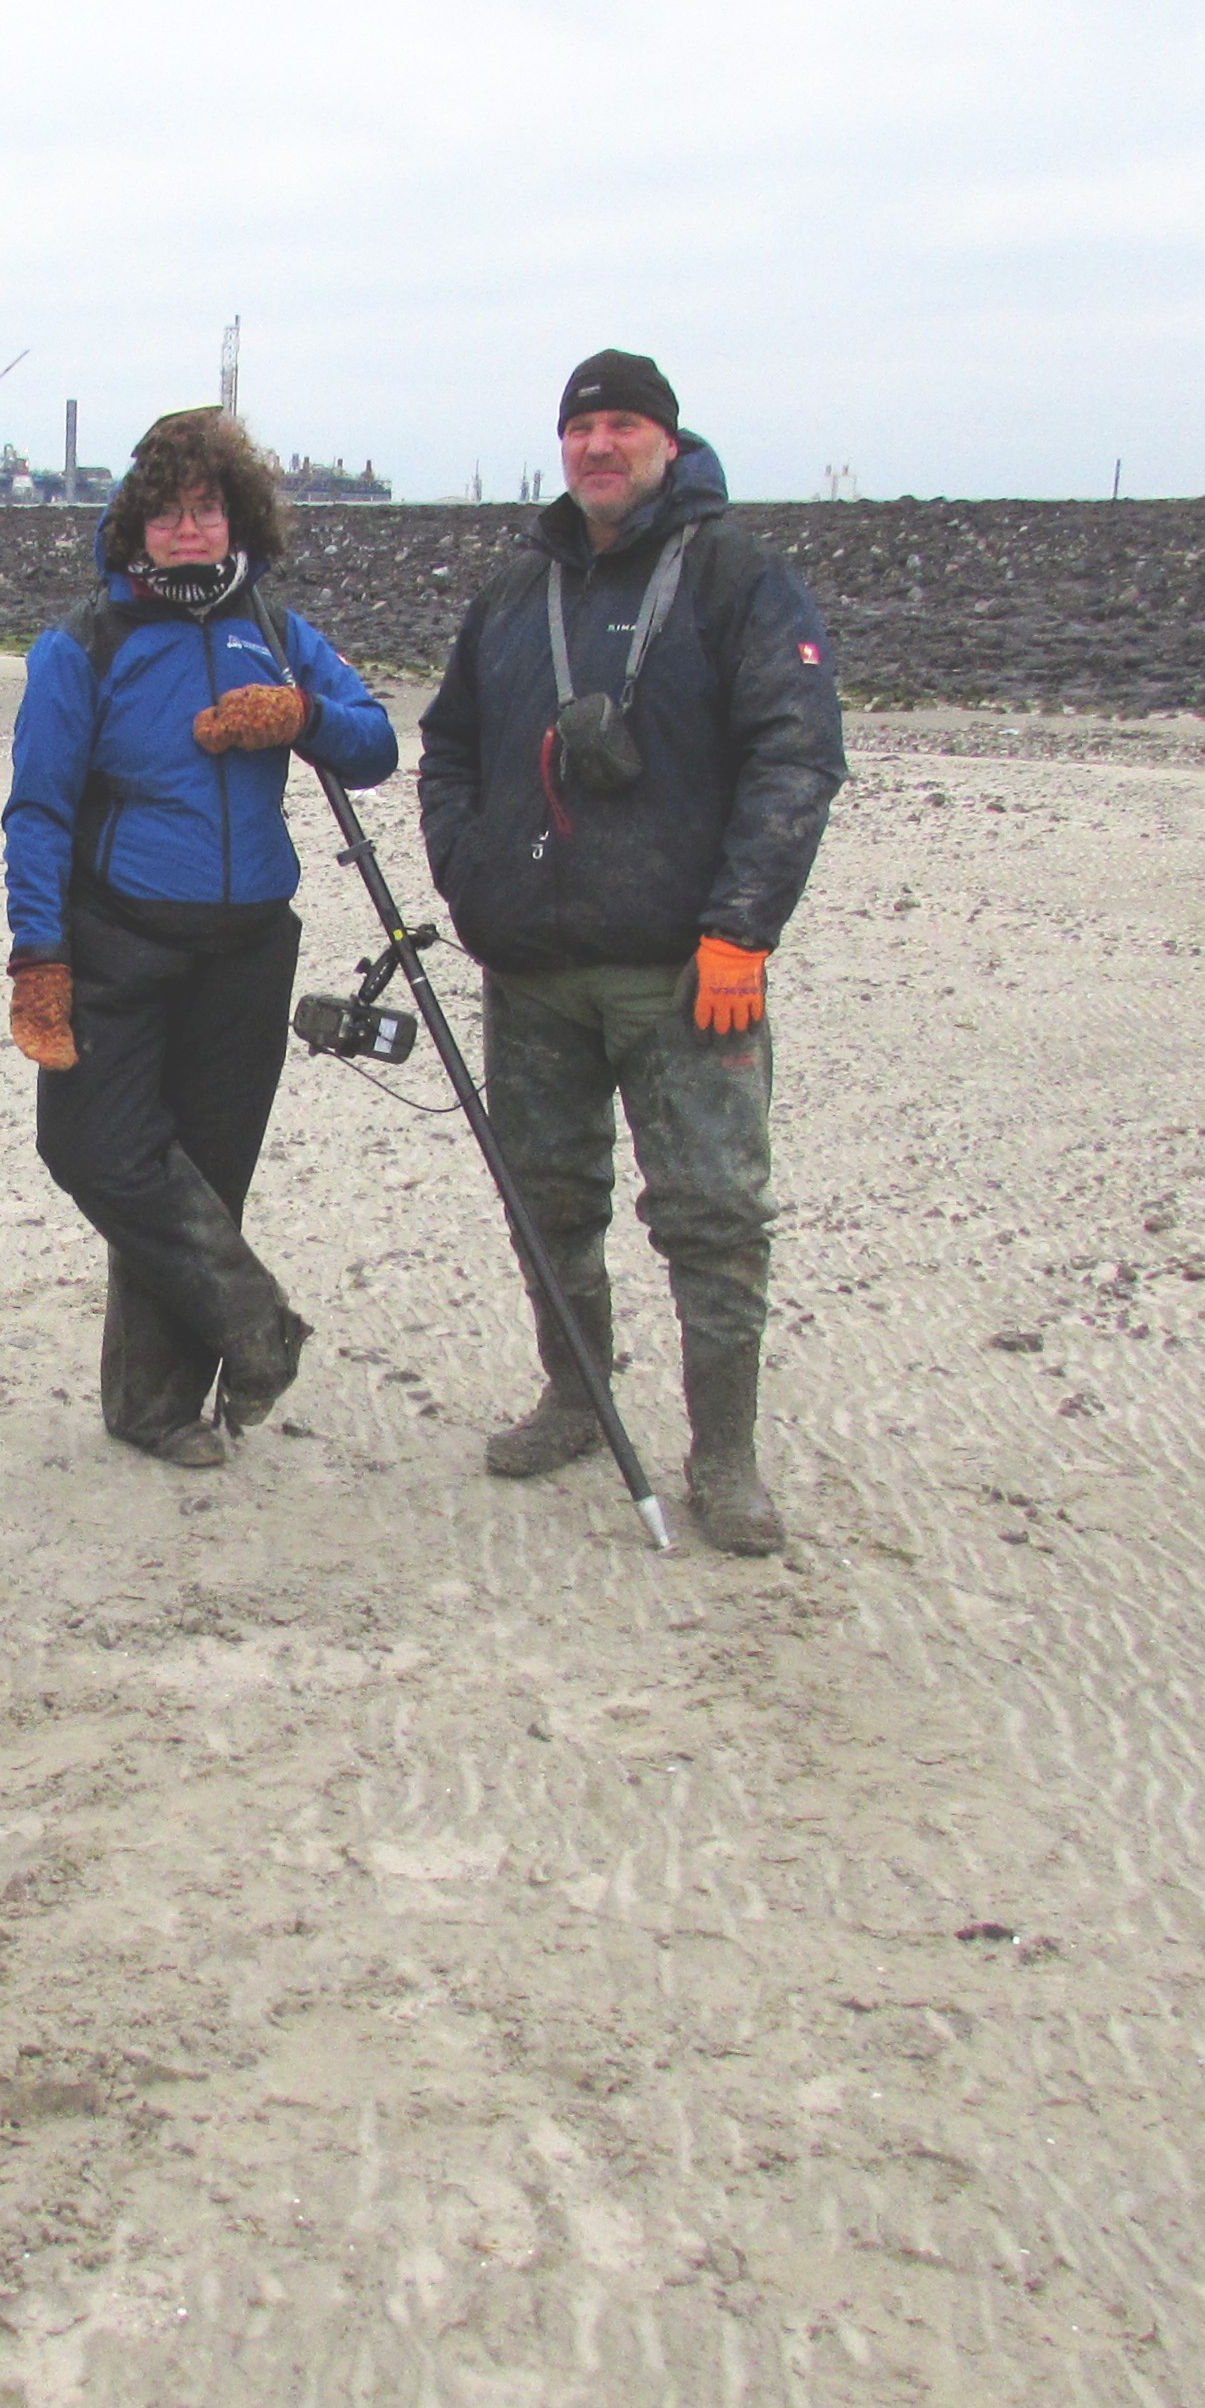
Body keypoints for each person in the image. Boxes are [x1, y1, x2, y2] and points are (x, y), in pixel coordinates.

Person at [415, 351, 845, 1553]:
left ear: (666, 441)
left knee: (712, 1215)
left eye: (623, 427)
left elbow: (796, 757)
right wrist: (472, 873)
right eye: (581, 428)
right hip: (534, 970)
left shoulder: (738, 580)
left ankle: (726, 1458)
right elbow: (447, 748)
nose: (599, 447)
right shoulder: (512, 594)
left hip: (685, 974)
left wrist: (739, 930)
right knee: (547, 1202)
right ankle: (574, 1392)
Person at [3, 406, 397, 1465]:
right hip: (118, 938)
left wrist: (300, 717)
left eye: (206, 510)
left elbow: (376, 744)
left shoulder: (273, 631)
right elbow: (37, 809)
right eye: (168, 514)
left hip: (248, 946)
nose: (188, 531)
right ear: (134, 527)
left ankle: (157, 1407)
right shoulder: (84, 644)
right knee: (90, 1146)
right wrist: (37, 953)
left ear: (236, 520)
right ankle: (255, 1325)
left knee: (204, 1176)